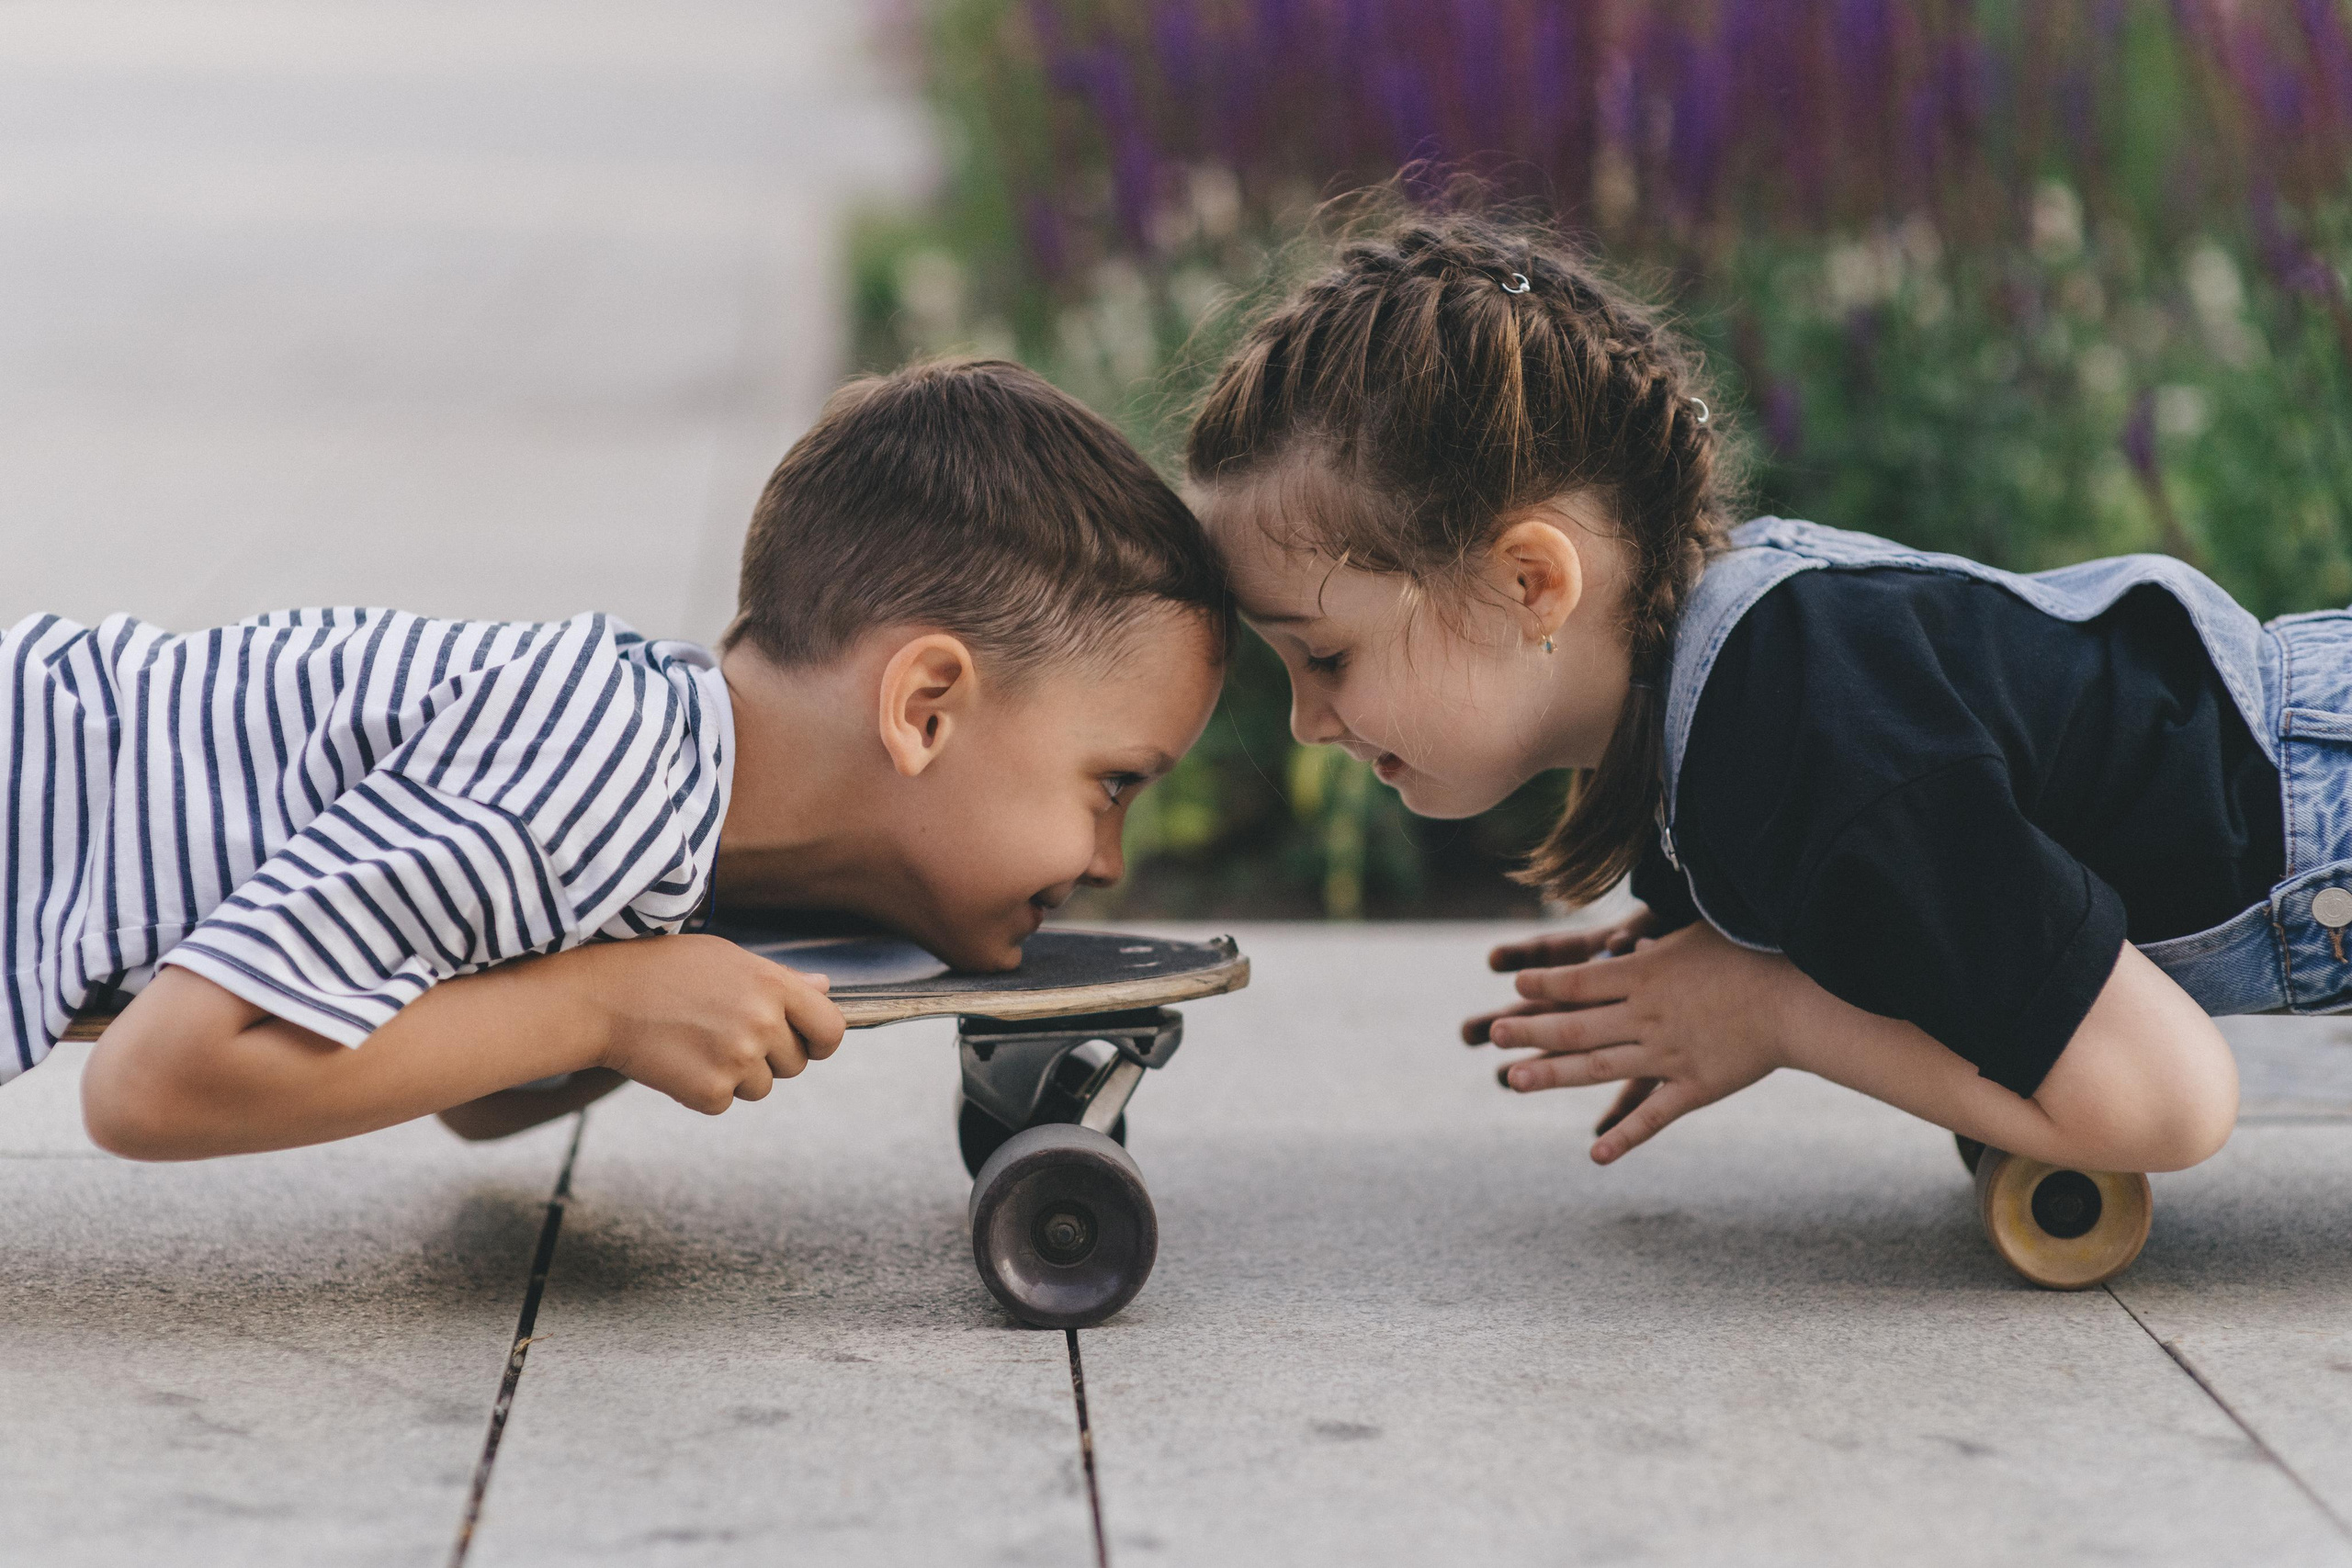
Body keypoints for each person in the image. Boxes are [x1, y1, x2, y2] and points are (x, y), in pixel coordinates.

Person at [1182, 202, 2338, 1176]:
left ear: (1529, 582)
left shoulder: (1811, 748)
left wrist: (1775, 1009)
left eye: (1325, 656)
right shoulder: (1750, 675)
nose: (1305, 721)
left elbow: (2166, 1106)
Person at [3, 358, 1229, 1158]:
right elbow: (152, 1083)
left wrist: (656, 987)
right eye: (1111, 784)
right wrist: (612, 999)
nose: (1111, 859)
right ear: (922, 708)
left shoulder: (652, 779)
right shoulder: (600, 782)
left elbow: (474, 1087)